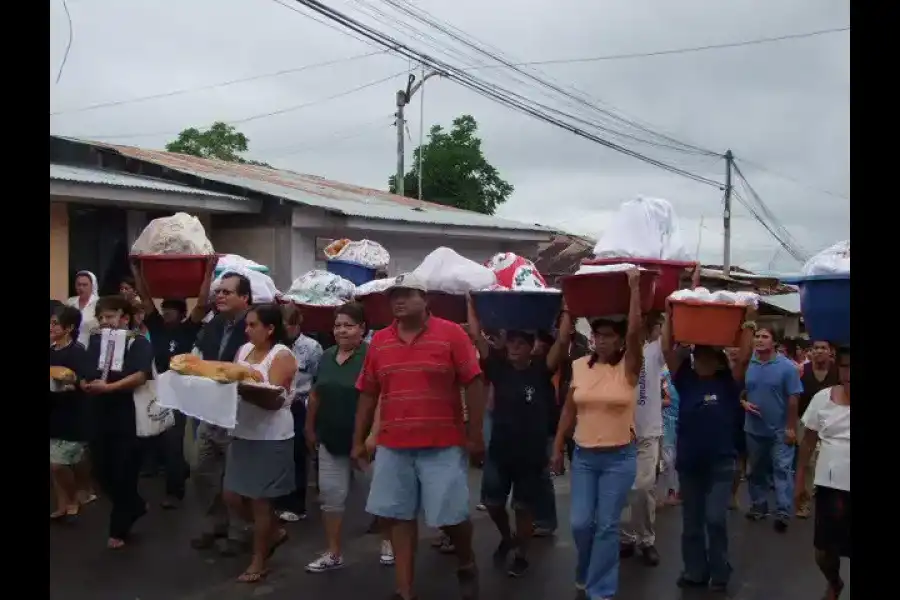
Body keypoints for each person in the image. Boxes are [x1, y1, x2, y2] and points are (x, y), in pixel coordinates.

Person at [352, 273, 486, 600]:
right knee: (397, 516)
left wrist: (475, 435)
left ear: (426, 299)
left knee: (451, 516)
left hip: (442, 443)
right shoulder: (380, 341)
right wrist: (358, 440)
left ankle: (466, 559)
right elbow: (368, 393)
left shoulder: (452, 334)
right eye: (394, 295)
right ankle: (405, 590)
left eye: (407, 294)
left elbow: (474, 382)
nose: (398, 300)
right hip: (393, 445)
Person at [551, 268, 643, 600]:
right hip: (585, 457)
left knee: (606, 526)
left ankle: (600, 590)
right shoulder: (579, 366)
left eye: (608, 335)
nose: (601, 340)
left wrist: (634, 291)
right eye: (597, 335)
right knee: (579, 524)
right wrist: (559, 445)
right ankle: (585, 570)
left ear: (618, 340)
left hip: (619, 457)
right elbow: (569, 409)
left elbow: (636, 332)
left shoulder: (629, 368)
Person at [466, 297, 573, 577]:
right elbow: (476, 335)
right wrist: (472, 304)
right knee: (492, 503)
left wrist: (568, 310)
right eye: (510, 343)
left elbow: (562, 342)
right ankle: (506, 536)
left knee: (524, 508)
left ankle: (522, 553)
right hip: (500, 451)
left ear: (531, 348)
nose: (513, 348)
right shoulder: (498, 368)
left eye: (519, 344)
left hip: (531, 454)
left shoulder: (540, 369)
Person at [660, 302, 756, 593]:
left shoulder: (728, 384)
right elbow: (667, 350)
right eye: (696, 355)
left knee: (714, 519)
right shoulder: (685, 381)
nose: (699, 360)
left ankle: (720, 570)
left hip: (720, 464)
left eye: (705, 356)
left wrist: (749, 322)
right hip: (690, 464)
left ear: (717, 361)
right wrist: (669, 316)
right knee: (691, 523)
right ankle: (694, 571)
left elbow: (745, 358)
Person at [305, 302, 395, 573]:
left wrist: (373, 436)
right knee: (331, 497)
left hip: (366, 443)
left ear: (362, 329)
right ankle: (333, 552)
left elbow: (382, 397)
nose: (342, 331)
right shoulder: (326, 356)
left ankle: (389, 542)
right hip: (330, 439)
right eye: (338, 325)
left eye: (349, 325)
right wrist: (310, 427)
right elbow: (316, 393)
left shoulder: (372, 355)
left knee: (379, 495)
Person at [222, 304, 298, 583]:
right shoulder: (243, 351)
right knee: (232, 496)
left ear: (270, 329)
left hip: (270, 436)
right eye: (247, 325)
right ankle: (274, 533)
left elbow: (273, 399)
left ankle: (259, 560)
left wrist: (239, 385)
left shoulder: (282, 355)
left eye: (253, 325)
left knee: (261, 503)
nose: (247, 329)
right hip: (242, 432)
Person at [131, 259, 215, 508]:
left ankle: (174, 491)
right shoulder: (155, 325)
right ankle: (160, 476)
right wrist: (137, 270)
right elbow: (145, 299)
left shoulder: (188, 329)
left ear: (181, 313)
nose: (166, 312)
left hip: (179, 392)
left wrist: (208, 271)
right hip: (154, 388)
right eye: (164, 309)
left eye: (171, 310)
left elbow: (201, 303)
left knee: (173, 441)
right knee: (150, 435)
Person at [81, 295, 154, 549]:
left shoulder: (138, 342)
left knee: (124, 471)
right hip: (99, 412)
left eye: (110, 317)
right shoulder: (95, 339)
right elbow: (86, 370)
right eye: (101, 318)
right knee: (100, 471)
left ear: (124, 317)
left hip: (128, 414)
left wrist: (110, 387)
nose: (105, 322)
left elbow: (141, 375)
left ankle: (118, 528)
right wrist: (84, 383)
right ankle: (134, 505)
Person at [190, 272, 253, 556]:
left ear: (245, 298)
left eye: (228, 292)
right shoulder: (215, 323)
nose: (221, 296)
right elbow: (200, 354)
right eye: (219, 291)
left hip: (238, 411)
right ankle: (216, 523)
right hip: (210, 408)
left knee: (234, 478)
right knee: (202, 469)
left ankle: (240, 532)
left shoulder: (253, 326)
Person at [795, 346, 850, 600]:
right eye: (846, 366)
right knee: (823, 551)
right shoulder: (823, 398)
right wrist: (800, 482)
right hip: (829, 485)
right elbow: (807, 442)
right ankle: (834, 581)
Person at [742, 328, 804, 532]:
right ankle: (759, 505)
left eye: (764, 337)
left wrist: (790, 427)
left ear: (774, 342)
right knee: (756, 470)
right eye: (757, 336)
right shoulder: (748, 363)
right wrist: (742, 402)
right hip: (753, 427)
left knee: (782, 469)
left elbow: (794, 399)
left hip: (779, 429)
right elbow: (740, 390)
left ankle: (783, 511)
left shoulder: (787, 367)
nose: (759, 340)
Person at [620, 313, 665, 566]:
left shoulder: (655, 351)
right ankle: (626, 538)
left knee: (643, 489)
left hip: (648, 432)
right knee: (623, 490)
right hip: (620, 433)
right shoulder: (619, 351)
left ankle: (647, 540)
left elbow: (671, 334)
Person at [276, 303, 324, 523]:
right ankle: (278, 500)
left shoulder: (312, 347)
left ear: (297, 325)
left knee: (297, 455)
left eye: (289, 325)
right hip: (277, 404)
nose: (286, 330)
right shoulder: (275, 347)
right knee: (278, 453)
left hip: (300, 404)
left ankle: (297, 504)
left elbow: (317, 381)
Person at [49, 305, 90, 520]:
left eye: (55, 323)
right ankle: (62, 503)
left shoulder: (77, 351)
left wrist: (68, 382)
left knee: (58, 465)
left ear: (69, 327)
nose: (51, 326)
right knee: (54, 463)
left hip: (71, 414)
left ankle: (75, 496)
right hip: (53, 413)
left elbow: (80, 381)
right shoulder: (50, 350)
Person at [795, 340, 839, 519]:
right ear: (810, 352)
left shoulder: (838, 372)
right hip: (805, 422)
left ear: (831, 352)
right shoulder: (801, 371)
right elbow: (794, 397)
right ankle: (804, 502)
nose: (819, 351)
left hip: (832, 423)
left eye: (823, 348)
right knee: (808, 463)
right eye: (816, 348)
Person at [658, 365, 680, 507]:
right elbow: (666, 400)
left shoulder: (688, 373)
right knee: (668, 459)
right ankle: (671, 491)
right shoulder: (663, 374)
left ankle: (678, 491)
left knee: (677, 458)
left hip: (684, 419)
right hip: (667, 421)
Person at [67, 270, 99, 347]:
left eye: (85, 285)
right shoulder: (70, 302)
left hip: (90, 346)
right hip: (70, 346)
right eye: (79, 284)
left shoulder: (99, 303)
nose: (81, 288)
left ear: (92, 286)